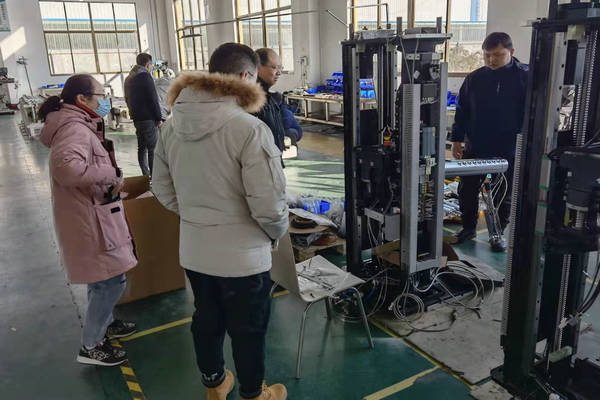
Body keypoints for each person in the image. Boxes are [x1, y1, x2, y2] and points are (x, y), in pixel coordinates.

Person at [152, 43, 289, 400]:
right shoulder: (249, 129)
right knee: (249, 330)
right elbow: (269, 206)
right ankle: (253, 394)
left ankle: (215, 384)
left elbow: (161, 187)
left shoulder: (171, 127)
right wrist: (275, 234)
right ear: (245, 76)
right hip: (243, 258)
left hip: (195, 251)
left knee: (207, 320)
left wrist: (195, 218)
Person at [38, 74, 138, 366]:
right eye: (101, 95)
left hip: (91, 212)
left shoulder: (77, 123)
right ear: (82, 99)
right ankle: (91, 344)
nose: (104, 101)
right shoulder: (74, 129)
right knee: (111, 281)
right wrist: (111, 174)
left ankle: (105, 323)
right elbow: (67, 169)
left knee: (102, 277)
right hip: (88, 217)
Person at [450, 32, 529, 252]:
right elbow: (462, 111)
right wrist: (456, 140)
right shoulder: (475, 79)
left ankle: (498, 233)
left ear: (511, 52)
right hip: (477, 145)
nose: (492, 60)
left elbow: (532, 113)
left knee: (502, 193)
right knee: (467, 189)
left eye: (498, 55)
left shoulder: (525, 78)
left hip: (508, 147)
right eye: (487, 56)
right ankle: (468, 228)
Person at [124, 53, 164, 177]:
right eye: (151, 65)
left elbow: (127, 98)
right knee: (153, 149)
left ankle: (145, 175)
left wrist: (133, 112)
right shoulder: (145, 77)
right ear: (148, 65)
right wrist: (158, 118)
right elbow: (153, 99)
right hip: (148, 118)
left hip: (137, 118)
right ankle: (154, 177)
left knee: (141, 148)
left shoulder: (129, 78)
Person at [255, 48, 302, 151]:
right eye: (274, 67)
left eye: (280, 68)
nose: (279, 73)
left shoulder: (274, 99)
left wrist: (290, 133)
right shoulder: (250, 102)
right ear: (258, 67)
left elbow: (296, 129)